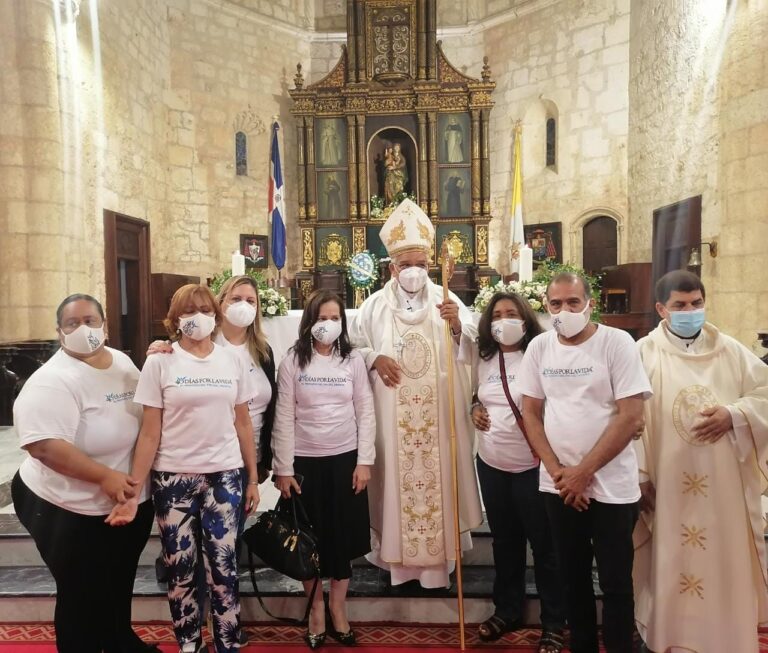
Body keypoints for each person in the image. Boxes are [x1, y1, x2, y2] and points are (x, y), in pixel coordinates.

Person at [110, 283, 260, 653]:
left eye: (206, 310)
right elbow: (149, 432)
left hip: (224, 475)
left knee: (224, 572)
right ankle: (189, 645)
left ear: (216, 314)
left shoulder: (232, 360)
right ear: (175, 319)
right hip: (173, 478)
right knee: (181, 573)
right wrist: (133, 490)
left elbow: (243, 422)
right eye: (190, 311)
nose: (200, 317)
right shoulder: (160, 361)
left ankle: (226, 643)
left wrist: (253, 477)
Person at [11, 293, 159, 653]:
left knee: (118, 579)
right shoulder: (52, 380)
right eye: (73, 323)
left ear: (105, 325)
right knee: (81, 594)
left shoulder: (122, 362)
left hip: (124, 502)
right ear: (59, 330)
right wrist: (104, 477)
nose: (84, 329)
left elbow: (147, 416)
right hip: (65, 506)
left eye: (91, 321)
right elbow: (43, 446)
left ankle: (120, 639)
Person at [349, 198, 482, 589]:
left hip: (438, 420)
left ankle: (438, 564)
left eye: (421, 265)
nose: (414, 272)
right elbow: (352, 349)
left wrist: (457, 327)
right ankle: (395, 561)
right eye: (406, 265)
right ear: (392, 267)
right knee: (394, 482)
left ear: (430, 265)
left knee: (436, 480)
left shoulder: (448, 301)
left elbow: (472, 350)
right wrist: (374, 358)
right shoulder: (373, 306)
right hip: (392, 421)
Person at [632, 270, 768, 653]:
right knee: (670, 558)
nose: (690, 311)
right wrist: (641, 475)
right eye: (680, 306)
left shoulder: (730, 350)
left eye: (696, 304)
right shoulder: (644, 352)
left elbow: (765, 394)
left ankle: (724, 639)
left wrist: (735, 415)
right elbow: (629, 416)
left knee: (723, 560)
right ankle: (669, 639)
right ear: (662, 309)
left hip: (723, 486)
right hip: (667, 484)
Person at [518, 272, 652, 653]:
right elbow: (531, 413)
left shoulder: (617, 343)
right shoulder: (540, 348)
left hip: (611, 485)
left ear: (589, 303)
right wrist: (562, 475)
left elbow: (630, 416)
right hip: (558, 484)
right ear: (546, 307)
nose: (565, 310)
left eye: (573, 302)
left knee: (615, 583)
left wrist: (583, 473)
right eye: (556, 304)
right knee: (571, 577)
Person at [460, 292, 565, 653]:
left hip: (533, 467)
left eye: (512, 313)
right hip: (492, 464)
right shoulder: (485, 358)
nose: (504, 321)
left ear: (525, 319)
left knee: (545, 547)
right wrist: (474, 407)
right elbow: (476, 394)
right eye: (498, 315)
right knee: (505, 543)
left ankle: (554, 621)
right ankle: (507, 610)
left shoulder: (543, 353)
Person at [272, 289, 375, 649]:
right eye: (321, 318)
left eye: (335, 319)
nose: (328, 325)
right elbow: (283, 415)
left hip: (345, 459)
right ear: (309, 322)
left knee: (342, 538)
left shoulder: (352, 360)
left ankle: (338, 608)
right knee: (309, 539)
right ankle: (316, 608)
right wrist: (284, 468)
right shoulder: (292, 362)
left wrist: (365, 461)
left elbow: (365, 409)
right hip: (305, 462)